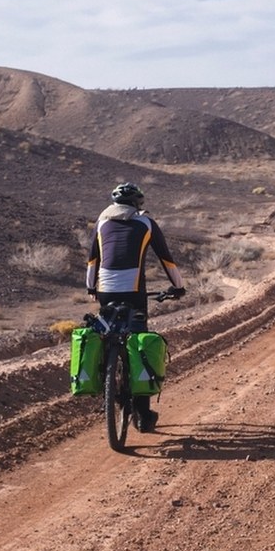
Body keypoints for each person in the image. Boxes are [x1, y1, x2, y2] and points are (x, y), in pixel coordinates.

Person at [86, 182, 186, 433]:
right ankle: (142, 415)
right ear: (137, 204)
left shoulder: (102, 222)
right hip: (134, 293)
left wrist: (91, 288)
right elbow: (166, 259)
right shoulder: (145, 223)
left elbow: (92, 260)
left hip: (105, 292)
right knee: (138, 344)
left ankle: (111, 390)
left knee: (109, 334)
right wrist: (178, 287)